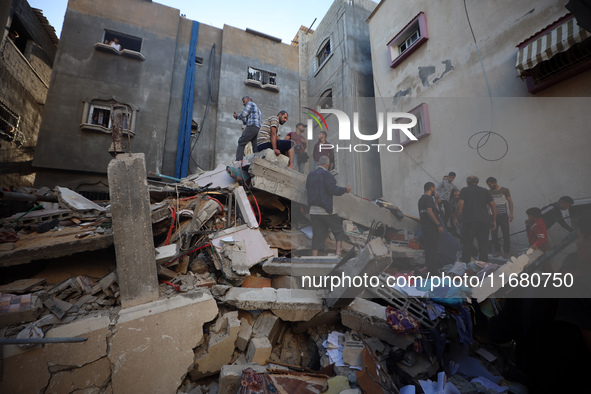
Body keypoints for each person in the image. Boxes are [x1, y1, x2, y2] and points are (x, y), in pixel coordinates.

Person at [306, 155, 351, 256]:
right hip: (325, 209)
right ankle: (338, 252)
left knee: (317, 235)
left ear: (318, 164)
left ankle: (314, 257)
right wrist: (345, 190)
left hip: (313, 210)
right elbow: (333, 190)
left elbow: (307, 189)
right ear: (328, 165)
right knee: (338, 230)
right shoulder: (327, 175)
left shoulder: (310, 175)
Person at [456, 175, 497, 263]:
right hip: (484, 221)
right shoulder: (485, 191)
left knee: (467, 244)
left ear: (467, 183)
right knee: (483, 245)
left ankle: (465, 267)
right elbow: (493, 205)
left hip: (469, 221)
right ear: (477, 182)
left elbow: (460, 204)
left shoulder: (465, 190)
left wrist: (456, 217)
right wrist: (494, 220)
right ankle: (483, 267)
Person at [419, 182, 444, 272]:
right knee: (435, 251)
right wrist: (438, 225)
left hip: (425, 228)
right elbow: (430, 211)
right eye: (434, 189)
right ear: (432, 188)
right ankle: (434, 273)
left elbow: (432, 211)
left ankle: (430, 271)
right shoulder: (429, 198)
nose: (435, 191)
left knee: (429, 251)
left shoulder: (421, 199)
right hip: (432, 229)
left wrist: (436, 202)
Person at [486, 177, 513, 258]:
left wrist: (511, 213)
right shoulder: (488, 192)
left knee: (505, 234)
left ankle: (506, 252)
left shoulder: (504, 190)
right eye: (488, 185)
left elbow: (510, 202)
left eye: (490, 184)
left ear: (495, 182)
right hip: (492, 216)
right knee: (494, 234)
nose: (489, 186)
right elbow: (487, 204)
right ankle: (497, 250)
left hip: (503, 215)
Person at [233, 96, 262, 161]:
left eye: (243, 101)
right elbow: (246, 121)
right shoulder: (257, 109)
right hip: (257, 129)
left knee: (241, 142)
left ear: (248, 99)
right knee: (255, 147)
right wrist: (241, 118)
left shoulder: (250, 103)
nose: (243, 103)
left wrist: (237, 116)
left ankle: (238, 162)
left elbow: (243, 114)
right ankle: (258, 161)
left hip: (252, 127)